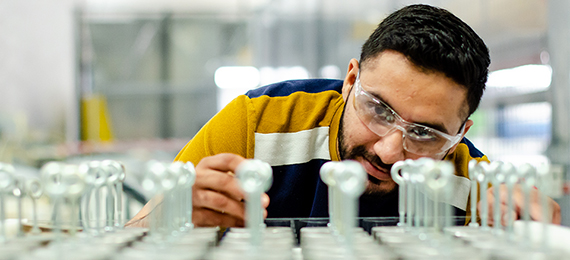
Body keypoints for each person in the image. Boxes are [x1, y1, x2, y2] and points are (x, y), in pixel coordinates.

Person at [126, 4, 560, 228]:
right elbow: (134, 232)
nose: (390, 151)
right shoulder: (258, 123)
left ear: (460, 134)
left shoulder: (473, 188)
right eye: (379, 109)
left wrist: (535, 239)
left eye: (425, 134)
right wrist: (174, 219)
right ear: (350, 80)